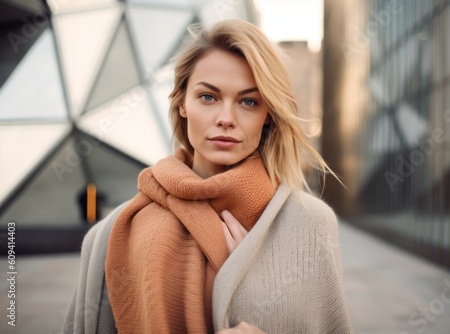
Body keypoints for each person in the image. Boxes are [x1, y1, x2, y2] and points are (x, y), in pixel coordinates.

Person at [63, 19, 353, 334]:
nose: (226, 119)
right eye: (208, 97)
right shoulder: (113, 233)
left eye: (248, 101)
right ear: (181, 103)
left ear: (267, 114)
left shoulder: (309, 224)